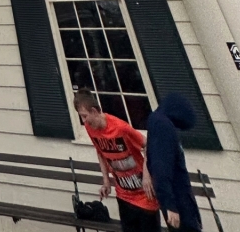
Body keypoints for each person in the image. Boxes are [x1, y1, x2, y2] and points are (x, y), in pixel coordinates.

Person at [74, 89, 159, 232]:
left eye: (84, 116)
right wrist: (106, 181)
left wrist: (146, 175)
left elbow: (148, 144)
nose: (83, 121)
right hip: (124, 194)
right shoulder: (90, 128)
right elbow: (100, 152)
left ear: (94, 111)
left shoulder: (120, 128)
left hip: (144, 194)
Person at [146, 94, 202, 231]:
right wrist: (169, 205)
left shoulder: (156, 120)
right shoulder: (163, 126)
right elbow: (161, 168)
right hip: (178, 199)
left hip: (178, 196)